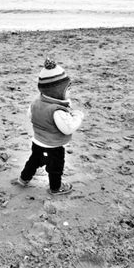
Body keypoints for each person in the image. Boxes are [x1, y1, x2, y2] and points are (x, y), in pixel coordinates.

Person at [18, 57, 84, 195]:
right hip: (53, 147)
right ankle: (55, 188)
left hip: (37, 142)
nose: (70, 92)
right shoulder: (57, 111)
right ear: (57, 91)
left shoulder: (35, 103)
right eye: (68, 89)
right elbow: (68, 128)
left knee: (33, 161)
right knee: (55, 168)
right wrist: (78, 116)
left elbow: (30, 115)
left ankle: (24, 178)